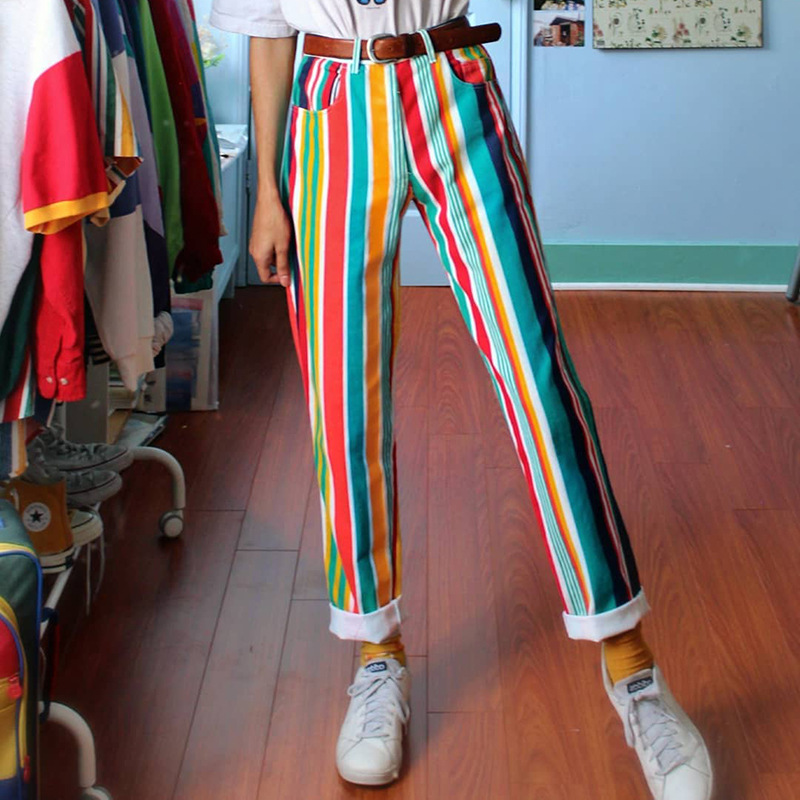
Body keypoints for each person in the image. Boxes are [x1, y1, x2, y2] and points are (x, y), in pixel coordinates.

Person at [210, 3, 713, 798]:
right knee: (342, 407)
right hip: (331, 108)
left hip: (452, 86)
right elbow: (269, 34)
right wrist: (266, 192)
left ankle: (634, 670)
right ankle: (378, 657)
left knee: (540, 381)